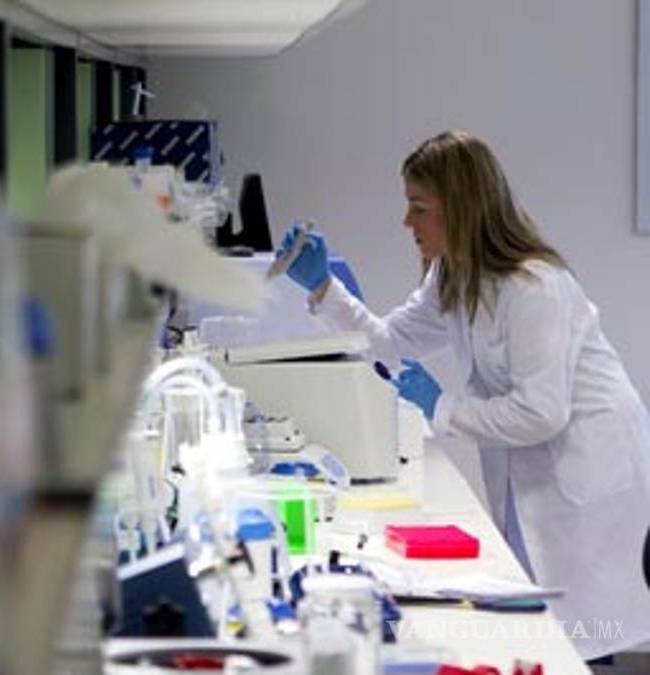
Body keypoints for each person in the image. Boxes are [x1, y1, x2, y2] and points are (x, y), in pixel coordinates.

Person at [275, 130, 650, 661]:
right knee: (549, 628)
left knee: (581, 634)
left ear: (461, 209)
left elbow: (541, 413)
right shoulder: (453, 274)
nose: (407, 222)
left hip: (588, 466)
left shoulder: (533, 287)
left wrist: (441, 407)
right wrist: (322, 288)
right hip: (536, 468)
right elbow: (389, 342)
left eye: (419, 208)